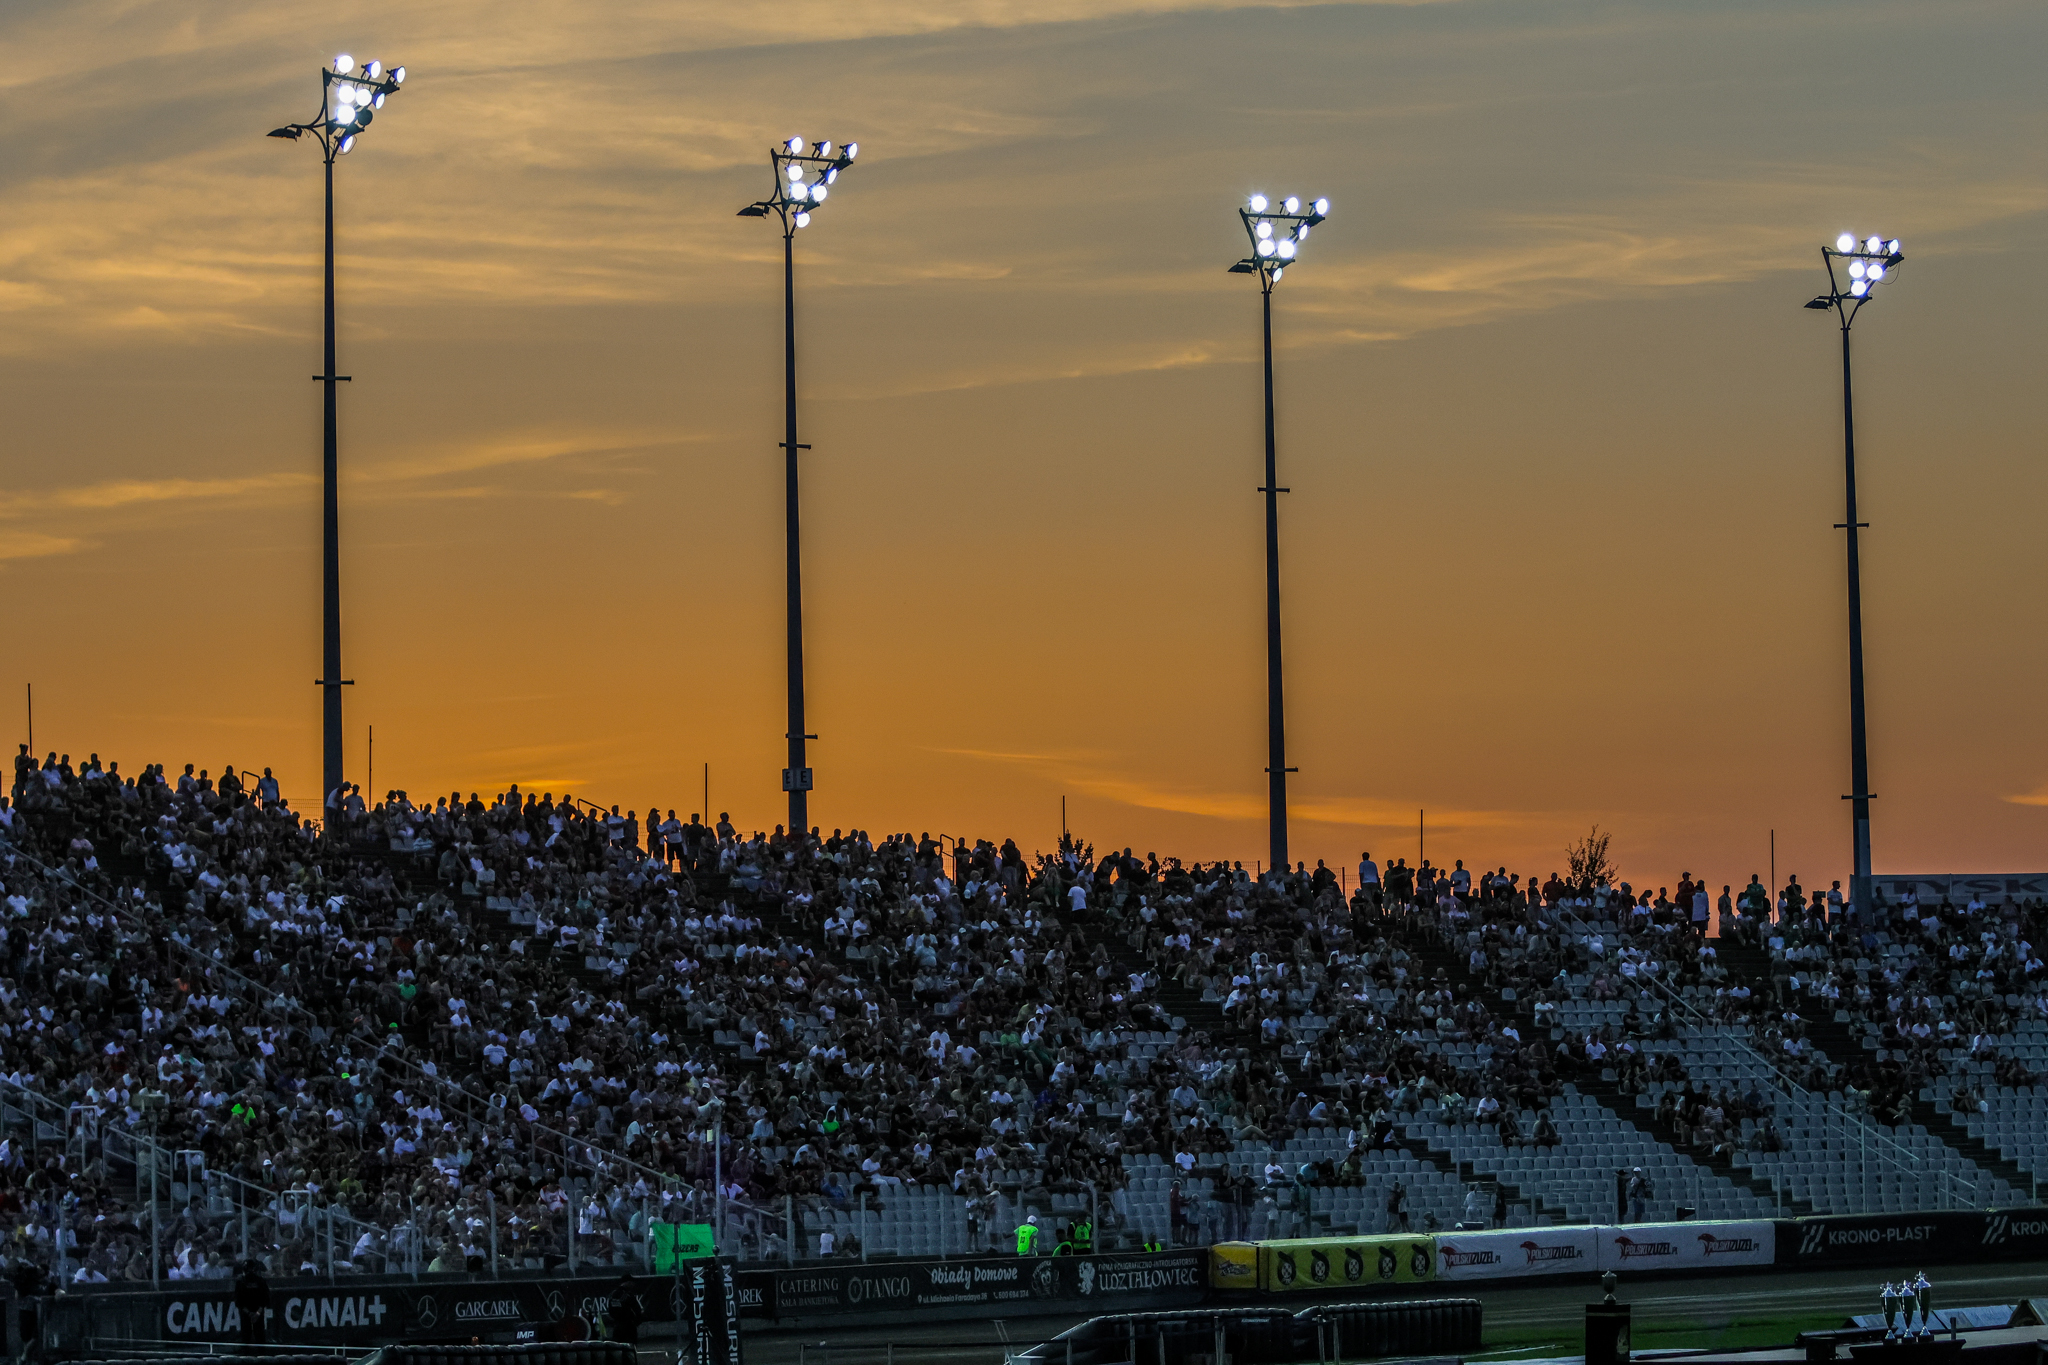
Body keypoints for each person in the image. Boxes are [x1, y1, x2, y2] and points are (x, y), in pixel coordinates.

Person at [234, 1259, 270, 1346]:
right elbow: (238, 1300)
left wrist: (255, 1313)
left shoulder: (260, 1281)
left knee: (256, 1335)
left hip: (252, 1312)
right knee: (250, 1336)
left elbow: (266, 1298)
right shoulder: (241, 1282)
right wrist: (256, 1313)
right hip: (250, 1313)